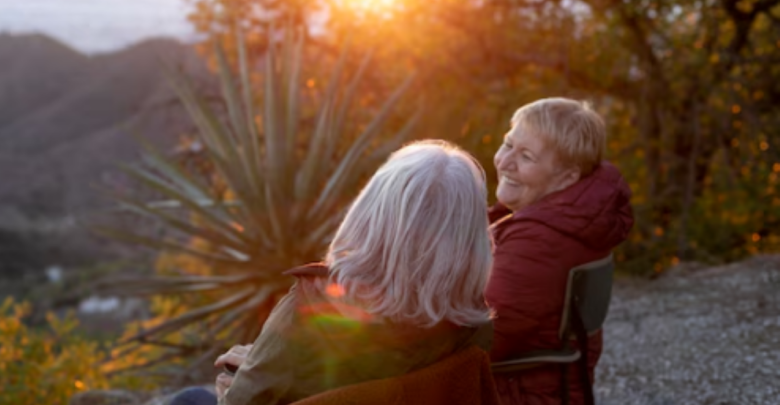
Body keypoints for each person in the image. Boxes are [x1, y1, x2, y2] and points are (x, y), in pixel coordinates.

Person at [172, 140, 495, 405]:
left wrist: (239, 386)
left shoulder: (310, 304)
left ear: (369, 212)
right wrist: (261, 361)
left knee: (190, 399)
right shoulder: (471, 322)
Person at [486, 98, 634, 405]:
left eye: (526, 156)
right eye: (507, 144)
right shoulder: (567, 215)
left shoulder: (540, 242)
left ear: (567, 177)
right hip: (545, 385)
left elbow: (484, 339)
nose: (504, 161)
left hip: (517, 393)